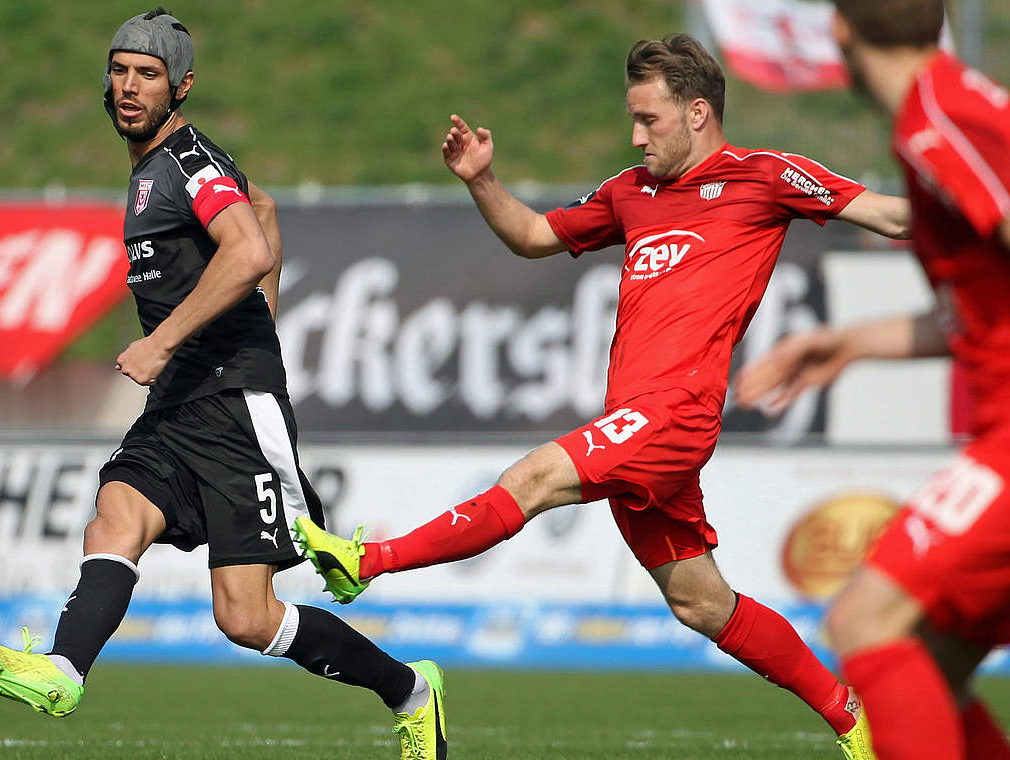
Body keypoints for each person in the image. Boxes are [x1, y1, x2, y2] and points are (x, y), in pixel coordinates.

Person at [294, 33, 911, 759]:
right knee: (700, 604)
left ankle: (368, 561)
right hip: (635, 422)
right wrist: (481, 180)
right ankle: (850, 718)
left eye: (649, 119)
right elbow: (531, 235)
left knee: (530, 479)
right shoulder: (630, 192)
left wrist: (980, 207)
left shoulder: (764, 176)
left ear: (699, 114)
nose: (635, 134)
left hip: (676, 413)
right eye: (633, 117)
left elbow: (892, 215)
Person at [0, 9, 447, 759]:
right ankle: (62, 670)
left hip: (232, 406)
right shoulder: (155, 168)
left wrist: (168, 340)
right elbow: (265, 212)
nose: (127, 86)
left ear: (180, 86)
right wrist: (240, 330)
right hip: (182, 399)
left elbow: (247, 246)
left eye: (146, 74)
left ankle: (412, 693)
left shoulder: (184, 161)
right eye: (118, 70)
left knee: (246, 618)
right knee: (115, 515)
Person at [735, 1, 1010, 758]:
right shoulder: (937, 115)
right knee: (928, 663)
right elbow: (973, 318)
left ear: (842, 34)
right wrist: (850, 343)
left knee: (864, 621)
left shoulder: (939, 119)